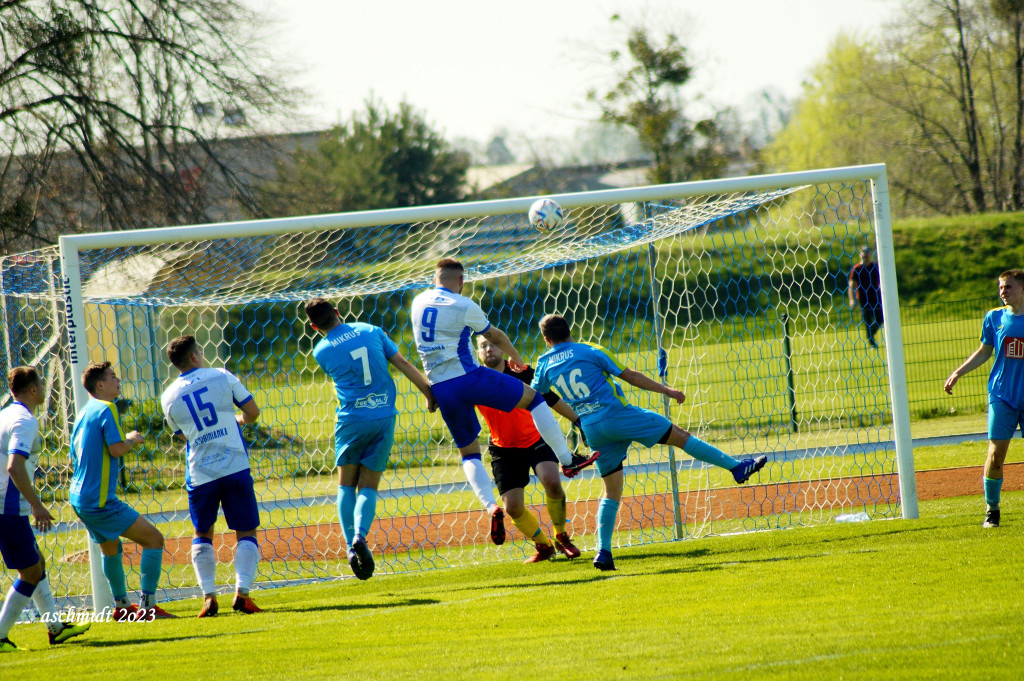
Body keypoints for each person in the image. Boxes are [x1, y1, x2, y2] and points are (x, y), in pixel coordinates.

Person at [531, 314, 768, 571]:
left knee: (611, 491)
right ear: (570, 330)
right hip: (619, 415)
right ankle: (735, 467)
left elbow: (537, 394)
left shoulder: (544, 364)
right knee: (680, 436)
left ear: (546, 339)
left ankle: (604, 551)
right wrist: (667, 390)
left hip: (592, 428)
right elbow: (630, 375)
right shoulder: (589, 350)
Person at [409, 258, 598, 546]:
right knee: (534, 400)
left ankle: (491, 507)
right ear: (460, 281)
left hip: (443, 387)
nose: (488, 347)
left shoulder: (418, 302)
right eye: (482, 346)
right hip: (476, 394)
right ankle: (567, 460)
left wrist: (429, 392)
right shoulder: (463, 306)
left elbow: (427, 350)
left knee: (469, 455)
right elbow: (493, 333)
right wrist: (517, 357)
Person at [305, 297, 437, 580]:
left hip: (352, 420)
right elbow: (401, 361)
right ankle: (361, 537)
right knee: (369, 486)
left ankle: (350, 546)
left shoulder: (321, 351)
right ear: (339, 312)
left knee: (345, 486)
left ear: (315, 327)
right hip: (384, 417)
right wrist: (428, 391)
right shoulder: (370, 330)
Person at [160, 335, 264, 616]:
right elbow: (252, 412)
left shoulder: (167, 396)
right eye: (201, 351)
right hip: (234, 465)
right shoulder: (220, 375)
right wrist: (239, 421)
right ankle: (242, 594)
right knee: (245, 531)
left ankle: (208, 596)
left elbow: (183, 436)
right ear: (194, 356)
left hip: (201, 472)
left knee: (202, 533)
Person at [69, 361, 175, 619]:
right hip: (100, 500)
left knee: (111, 549)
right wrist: (133, 439)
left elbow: (77, 453)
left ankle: (122, 606)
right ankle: (148, 607)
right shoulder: (107, 408)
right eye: (113, 377)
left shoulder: (83, 413)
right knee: (154, 540)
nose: (118, 381)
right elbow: (117, 449)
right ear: (100, 385)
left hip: (79, 497)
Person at [0, 367, 91, 651]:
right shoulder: (24, 421)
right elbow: (14, 466)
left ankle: (55, 628)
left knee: (37, 564)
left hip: (8, 507)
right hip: (8, 508)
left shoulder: (5, 414)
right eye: (41, 382)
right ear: (33, 390)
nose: (44, 386)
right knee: (29, 572)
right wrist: (37, 505)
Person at [475, 337, 584, 563]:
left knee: (552, 481)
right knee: (512, 508)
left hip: (536, 439)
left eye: (493, 344)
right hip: (503, 449)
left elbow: (551, 399)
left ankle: (562, 536)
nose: (488, 349)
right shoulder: (474, 380)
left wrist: (578, 421)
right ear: (477, 352)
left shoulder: (522, 371)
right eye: (483, 346)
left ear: (503, 347)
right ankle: (543, 546)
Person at [943, 269, 1024, 529]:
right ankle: (992, 510)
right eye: (1001, 287)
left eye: (1008, 287)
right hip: (1002, 394)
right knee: (996, 453)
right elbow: (984, 352)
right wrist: (958, 372)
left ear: (1022, 289)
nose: (1003, 291)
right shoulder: (994, 318)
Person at [848, 246, 884, 348]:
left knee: (880, 319)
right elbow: (851, 285)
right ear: (860, 256)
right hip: (863, 299)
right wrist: (852, 300)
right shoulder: (857, 269)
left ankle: (870, 335)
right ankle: (872, 342)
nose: (865, 257)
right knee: (867, 320)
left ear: (870, 256)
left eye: (867, 255)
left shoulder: (876, 267)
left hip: (876, 297)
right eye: (863, 255)